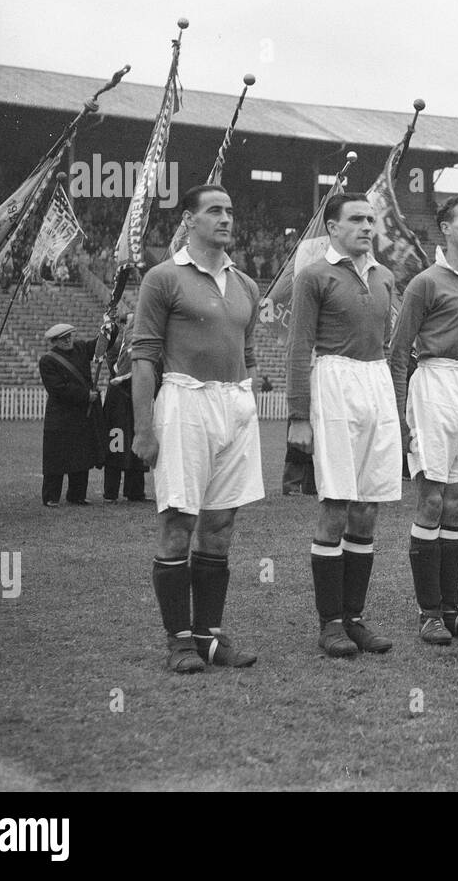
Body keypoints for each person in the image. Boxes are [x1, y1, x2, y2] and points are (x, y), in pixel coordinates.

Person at [131, 183, 264, 674]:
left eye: (230, 210)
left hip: (234, 405)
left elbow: (247, 354)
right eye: (214, 211)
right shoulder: (163, 278)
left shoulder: (246, 284)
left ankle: (209, 636)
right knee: (178, 521)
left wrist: (249, 392)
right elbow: (144, 357)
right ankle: (179, 640)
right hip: (185, 402)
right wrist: (143, 429)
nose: (225, 218)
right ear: (188, 219)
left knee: (220, 524)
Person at [287, 192, 399, 659]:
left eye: (371, 220)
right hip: (333, 379)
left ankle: (355, 617)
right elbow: (299, 345)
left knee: (369, 506)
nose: (366, 227)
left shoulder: (386, 276)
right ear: (332, 227)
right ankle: (330, 623)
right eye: (356, 219)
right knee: (336, 503)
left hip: (376, 381)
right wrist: (297, 416)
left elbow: (390, 345)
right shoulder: (314, 276)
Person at [389, 195, 458, 645]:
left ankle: (452, 610)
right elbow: (399, 353)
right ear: (445, 229)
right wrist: (399, 419)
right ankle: (428, 612)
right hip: (434, 384)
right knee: (431, 501)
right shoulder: (425, 282)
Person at [39, 322, 108, 507]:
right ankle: (51, 497)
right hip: (60, 416)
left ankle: (77, 495)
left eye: (70, 336)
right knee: (56, 459)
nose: (69, 340)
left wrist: (109, 327)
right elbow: (58, 389)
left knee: (81, 457)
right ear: (55, 341)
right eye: (64, 338)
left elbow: (100, 345)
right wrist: (86, 395)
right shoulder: (47, 360)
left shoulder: (80, 348)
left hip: (81, 415)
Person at [101, 313, 149, 504]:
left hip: (136, 400)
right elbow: (113, 364)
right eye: (130, 321)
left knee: (137, 446)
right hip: (118, 403)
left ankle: (135, 491)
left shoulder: (143, 344)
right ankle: (110, 492)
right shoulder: (116, 346)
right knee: (116, 446)